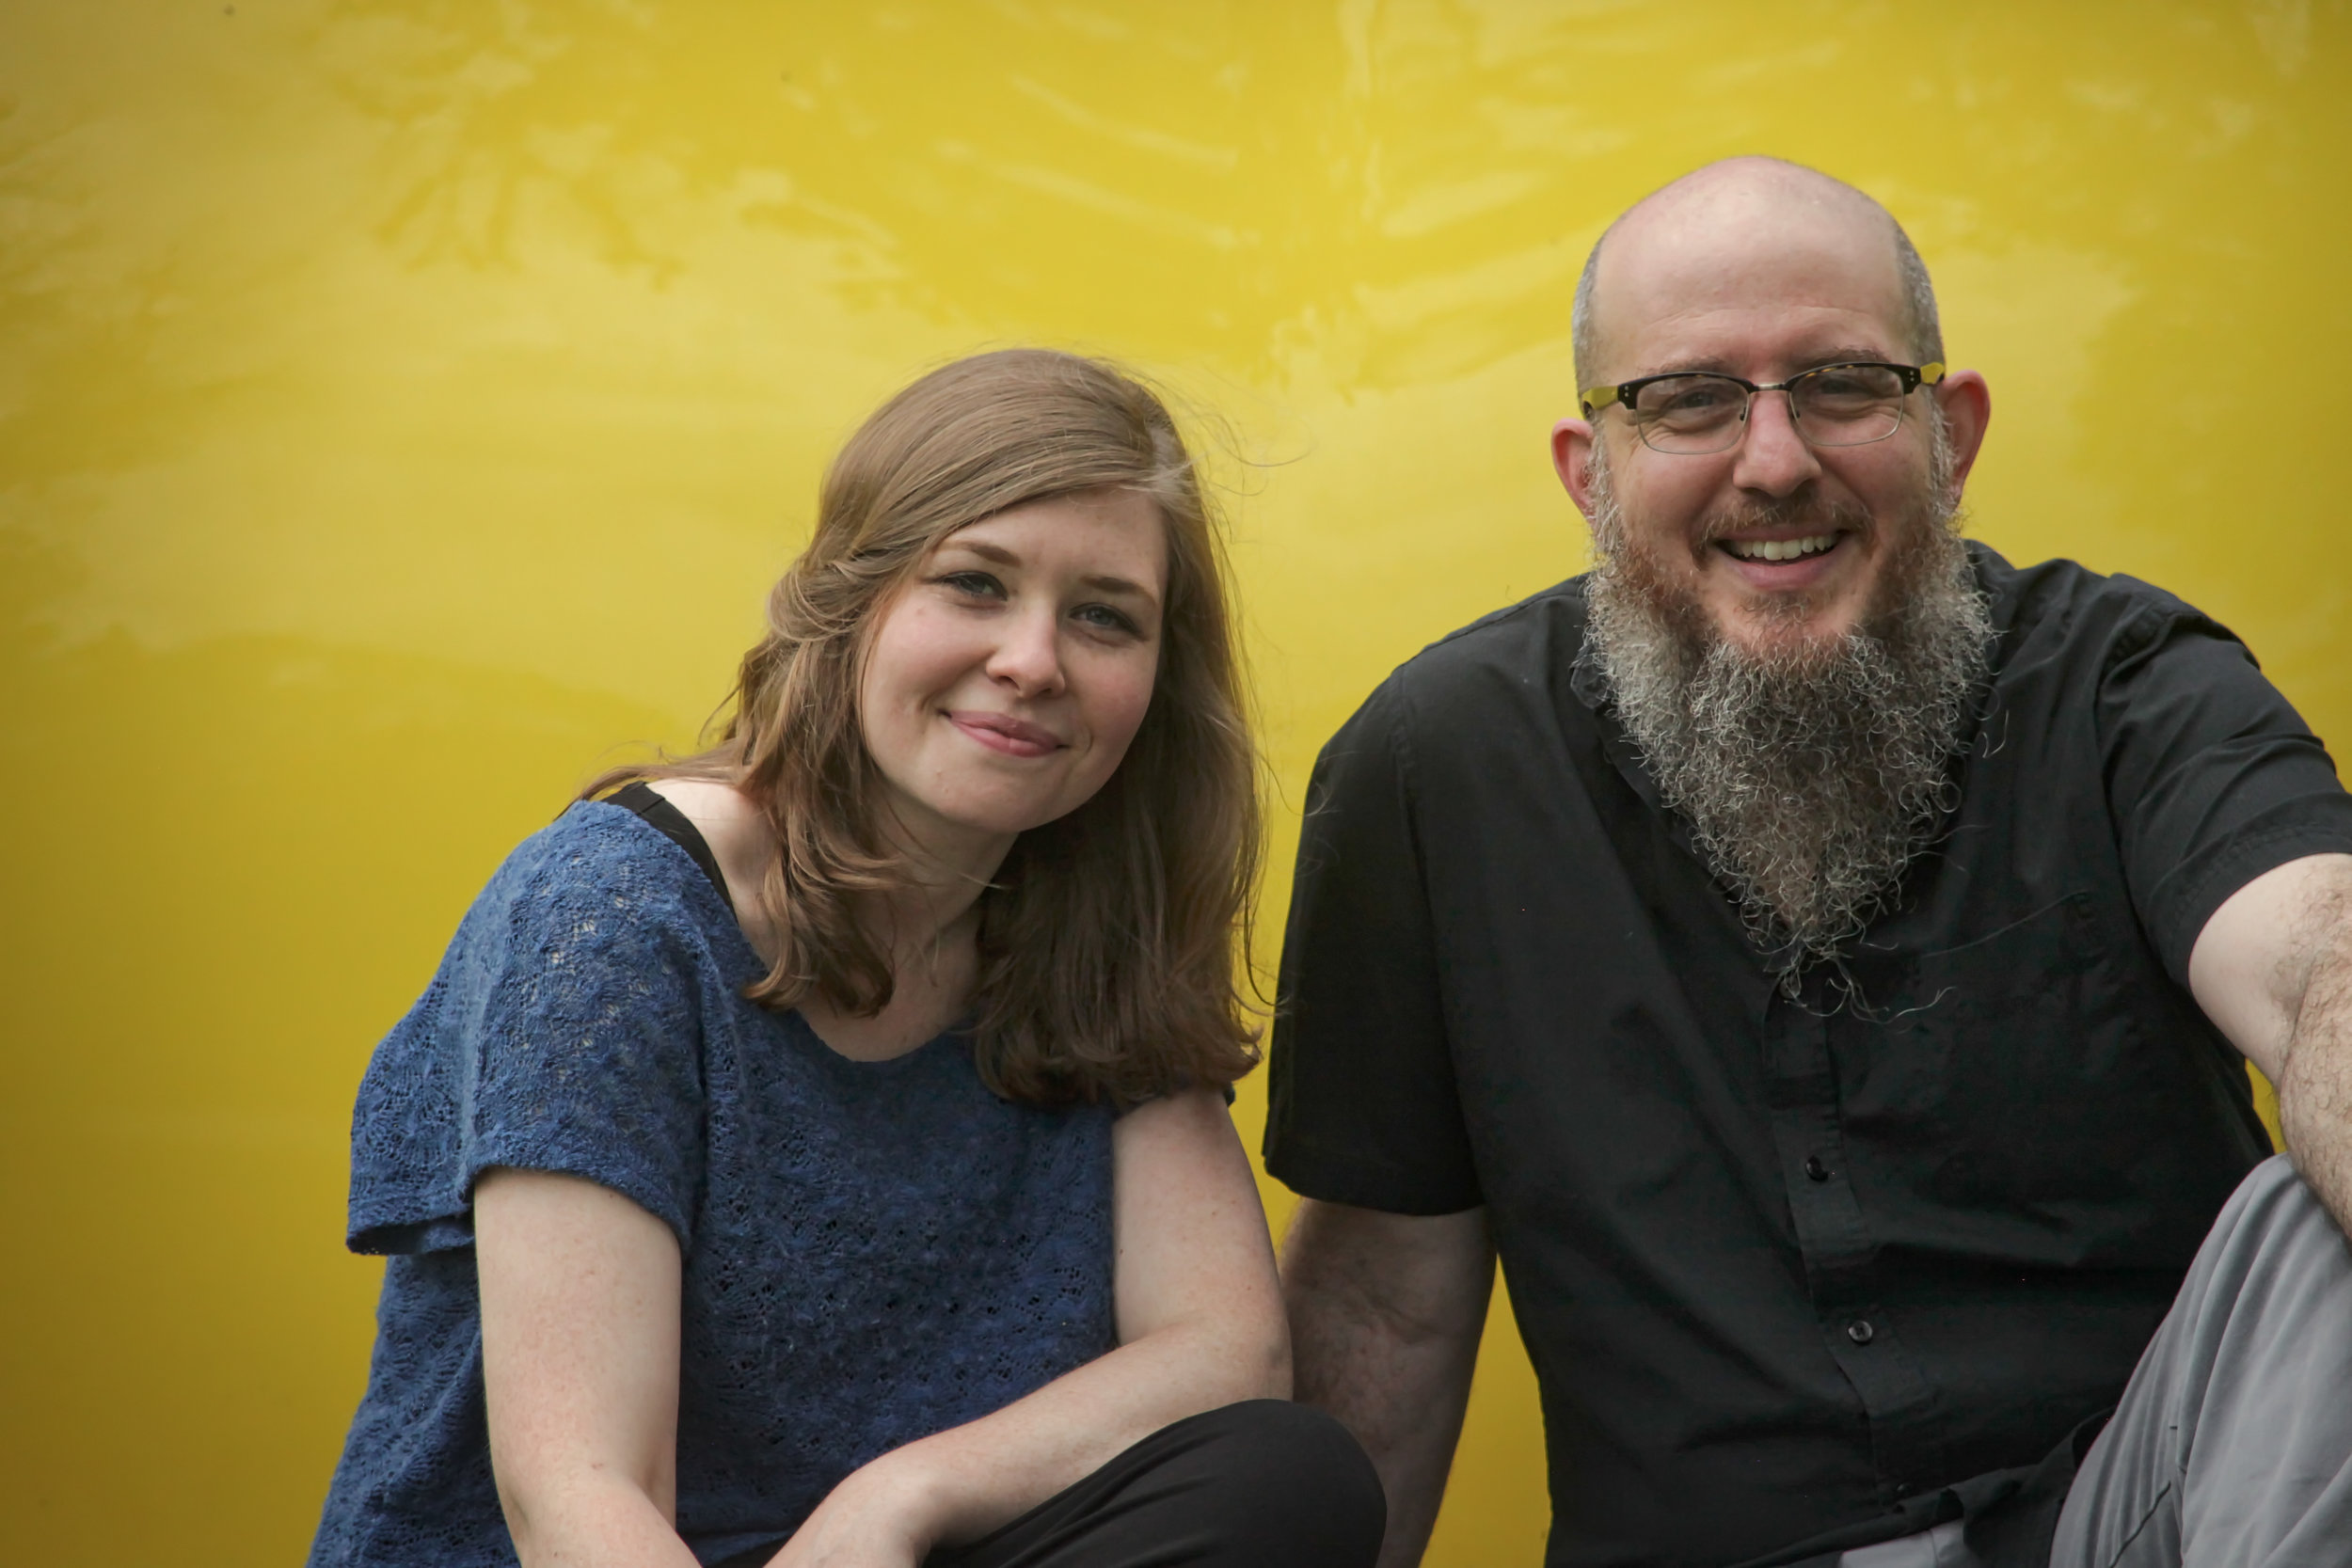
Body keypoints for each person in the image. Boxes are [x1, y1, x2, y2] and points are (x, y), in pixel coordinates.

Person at [1265, 158, 2352, 1568]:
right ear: (1590, 473)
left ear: (1950, 435)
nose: (1774, 461)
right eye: (1689, 400)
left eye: (1843, 383)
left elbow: (2321, 957)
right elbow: (1386, 1309)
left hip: (2132, 1523)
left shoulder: (2124, 684)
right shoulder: (1437, 760)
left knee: (2312, 1230)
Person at [309, 349, 1385, 1568]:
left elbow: (1226, 1353)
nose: (1035, 661)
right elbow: (579, 1492)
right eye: (976, 584)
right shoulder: (619, 911)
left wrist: (901, 1496)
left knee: (1285, 1480)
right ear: (849, 601)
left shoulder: (1091, 927)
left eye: (1103, 616)